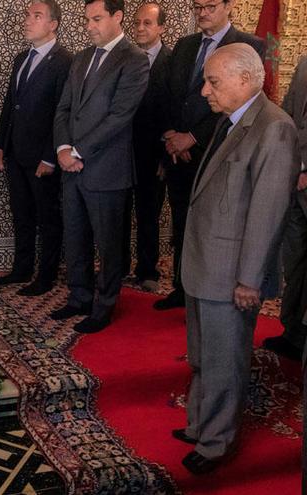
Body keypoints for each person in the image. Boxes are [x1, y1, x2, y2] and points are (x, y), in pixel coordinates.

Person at [175, 43, 298, 475]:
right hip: (203, 265)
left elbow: (267, 213)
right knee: (202, 356)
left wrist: (250, 281)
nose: (205, 90)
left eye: (213, 81)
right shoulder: (228, 122)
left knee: (225, 361)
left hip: (230, 275)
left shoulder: (274, 128)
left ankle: (215, 443)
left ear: (245, 79)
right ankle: (197, 424)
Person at [154, 0, 265, 311]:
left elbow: (242, 106)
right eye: (197, 6)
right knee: (181, 223)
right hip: (178, 155)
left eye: (210, 6)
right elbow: (168, 95)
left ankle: (205, 293)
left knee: (211, 226)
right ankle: (181, 286)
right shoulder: (185, 45)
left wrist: (193, 138)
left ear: (229, 6)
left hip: (217, 155)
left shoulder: (248, 45)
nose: (202, 12)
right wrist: (172, 137)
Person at [50, 0, 149, 333]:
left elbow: (120, 116)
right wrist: (63, 148)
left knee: (108, 244)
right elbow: (64, 109)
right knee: (75, 237)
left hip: (107, 170)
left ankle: (103, 307)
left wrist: (78, 151)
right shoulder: (80, 58)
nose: (89, 26)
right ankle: (79, 297)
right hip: (71, 167)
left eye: (96, 19)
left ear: (117, 16)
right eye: (87, 19)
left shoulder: (134, 59)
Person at [0, 0, 73, 296]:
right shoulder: (21, 58)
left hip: (43, 157)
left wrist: (51, 157)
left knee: (47, 217)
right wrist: (0, 145)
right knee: (21, 214)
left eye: (36, 16)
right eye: (28, 15)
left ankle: (46, 276)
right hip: (16, 153)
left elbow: (63, 113)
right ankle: (21, 268)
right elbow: (11, 106)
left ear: (53, 24)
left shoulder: (65, 61)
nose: (28, 20)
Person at [124, 2, 172, 292]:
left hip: (153, 156)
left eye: (148, 23)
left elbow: (174, 110)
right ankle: (117, 266)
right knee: (118, 214)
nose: (140, 28)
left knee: (148, 215)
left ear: (161, 28)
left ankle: (146, 270)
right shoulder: (125, 59)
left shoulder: (172, 61)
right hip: (120, 153)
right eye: (137, 23)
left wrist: (165, 158)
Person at [262, 55, 307, 361]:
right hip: (295, 186)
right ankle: (293, 334)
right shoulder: (304, 63)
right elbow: (289, 114)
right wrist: (290, 164)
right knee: (296, 265)